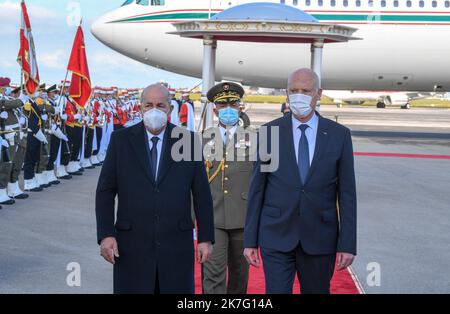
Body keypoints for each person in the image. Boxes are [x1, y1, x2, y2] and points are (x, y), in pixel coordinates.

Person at [244, 68, 357, 294]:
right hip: (276, 235)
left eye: (305, 91)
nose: (299, 96)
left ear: (319, 94)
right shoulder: (270, 132)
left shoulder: (338, 135)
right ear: (286, 94)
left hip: (320, 237)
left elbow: (347, 193)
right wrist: (250, 240)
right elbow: (257, 188)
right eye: (293, 90)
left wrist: (347, 244)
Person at [96, 83, 215, 294]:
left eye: (160, 105)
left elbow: (201, 194)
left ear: (169, 109)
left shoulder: (187, 141)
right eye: (149, 105)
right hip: (131, 245)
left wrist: (205, 237)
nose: (154, 110)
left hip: (176, 245)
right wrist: (106, 234)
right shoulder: (121, 141)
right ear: (140, 108)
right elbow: (105, 191)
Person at [201, 82, 253, 294]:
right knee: (212, 275)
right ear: (215, 110)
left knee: (240, 276)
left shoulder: (255, 139)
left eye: (233, 103)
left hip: (244, 217)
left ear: (240, 107)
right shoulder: (201, 140)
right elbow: (193, 185)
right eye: (223, 105)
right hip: (213, 218)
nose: (228, 108)